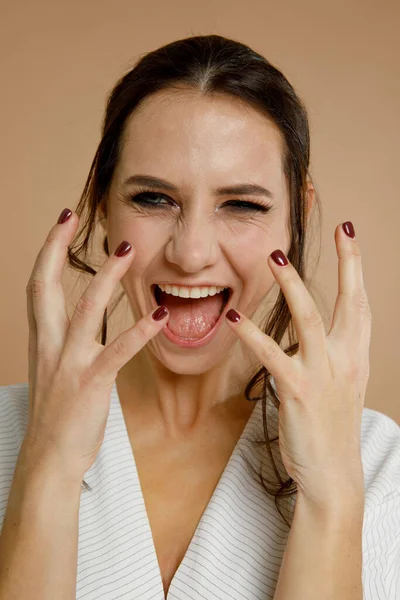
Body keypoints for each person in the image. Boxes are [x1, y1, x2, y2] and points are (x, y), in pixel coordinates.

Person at [0, 34, 399, 600]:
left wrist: (333, 498)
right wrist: (46, 468)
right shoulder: (6, 434)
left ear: (297, 217)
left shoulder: (382, 468)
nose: (191, 253)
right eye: (154, 199)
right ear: (100, 207)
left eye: (242, 205)